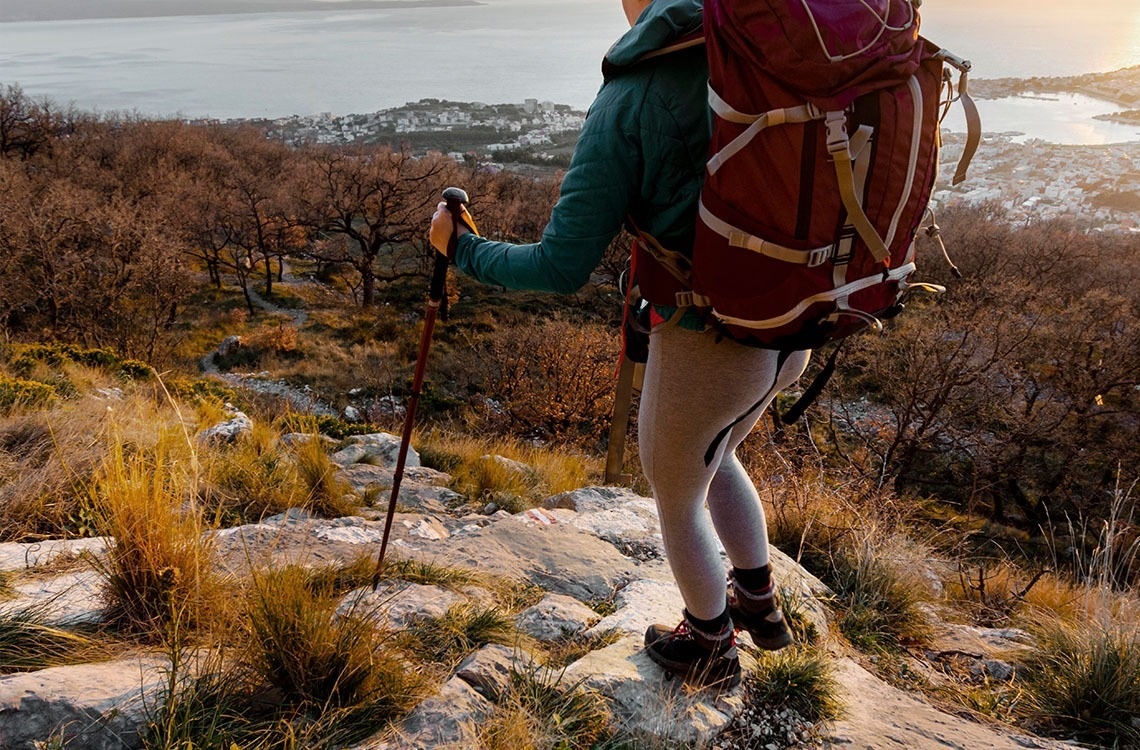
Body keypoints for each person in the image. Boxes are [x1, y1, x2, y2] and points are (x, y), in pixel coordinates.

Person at [430, 0, 809, 690]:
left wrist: (461, 248)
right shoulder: (775, 56)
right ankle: (759, 602)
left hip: (709, 335)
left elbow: (558, 265)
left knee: (674, 491)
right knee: (714, 453)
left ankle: (709, 643)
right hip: (797, 318)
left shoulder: (634, 93)